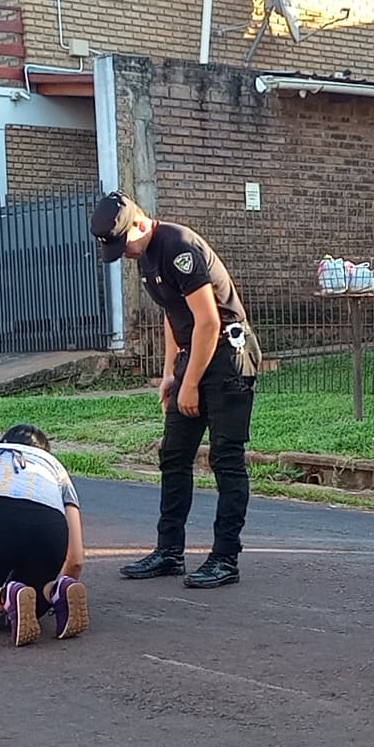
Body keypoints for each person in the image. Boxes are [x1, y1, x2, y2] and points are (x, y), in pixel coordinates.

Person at [91, 192, 262, 590]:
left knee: (225, 459)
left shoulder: (178, 246)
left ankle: (225, 558)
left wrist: (191, 384)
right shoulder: (146, 254)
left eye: (124, 243)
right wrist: (170, 373)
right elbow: (173, 313)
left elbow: (208, 321)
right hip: (194, 355)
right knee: (174, 456)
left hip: (227, 356)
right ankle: (169, 552)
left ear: (139, 224)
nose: (124, 253)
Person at [0, 423, 87, 646]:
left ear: (3, 442)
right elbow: (76, 559)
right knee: (32, 602)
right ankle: (54, 592)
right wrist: (65, 579)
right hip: (49, 526)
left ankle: (3, 596)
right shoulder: (55, 467)